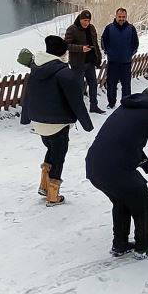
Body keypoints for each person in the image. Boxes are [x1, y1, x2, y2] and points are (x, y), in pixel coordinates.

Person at [85, 86, 148, 258]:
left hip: (95, 166)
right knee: (141, 203)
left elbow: (129, 143)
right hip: (116, 169)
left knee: (122, 201)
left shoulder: (126, 107)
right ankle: (143, 246)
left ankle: (120, 244)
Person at [20, 35, 94, 205]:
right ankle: (53, 195)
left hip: (38, 121)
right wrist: (87, 124)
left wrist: (26, 118)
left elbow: (28, 94)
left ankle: (44, 185)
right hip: (57, 122)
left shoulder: (35, 69)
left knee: (51, 149)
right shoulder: (64, 73)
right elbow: (76, 100)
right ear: (62, 53)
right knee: (59, 155)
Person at [64, 10, 105, 114]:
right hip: (77, 63)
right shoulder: (72, 29)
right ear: (80, 19)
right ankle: (76, 109)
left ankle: (94, 106)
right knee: (78, 87)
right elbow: (66, 45)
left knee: (93, 84)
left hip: (90, 62)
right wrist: (81, 48)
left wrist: (98, 57)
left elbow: (95, 44)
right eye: (84, 20)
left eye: (88, 20)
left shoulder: (91, 28)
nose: (86, 23)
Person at [100, 7, 139, 109]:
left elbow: (135, 44)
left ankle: (126, 103)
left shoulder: (131, 28)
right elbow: (103, 41)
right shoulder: (109, 28)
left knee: (126, 85)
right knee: (111, 84)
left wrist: (130, 53)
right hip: (113, 62)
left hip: (126, 62)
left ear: (126, 17)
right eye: (119, 17)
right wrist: (108, 51)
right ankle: (111, 102)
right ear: (116, 16)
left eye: (123, 17)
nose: (121, 19)